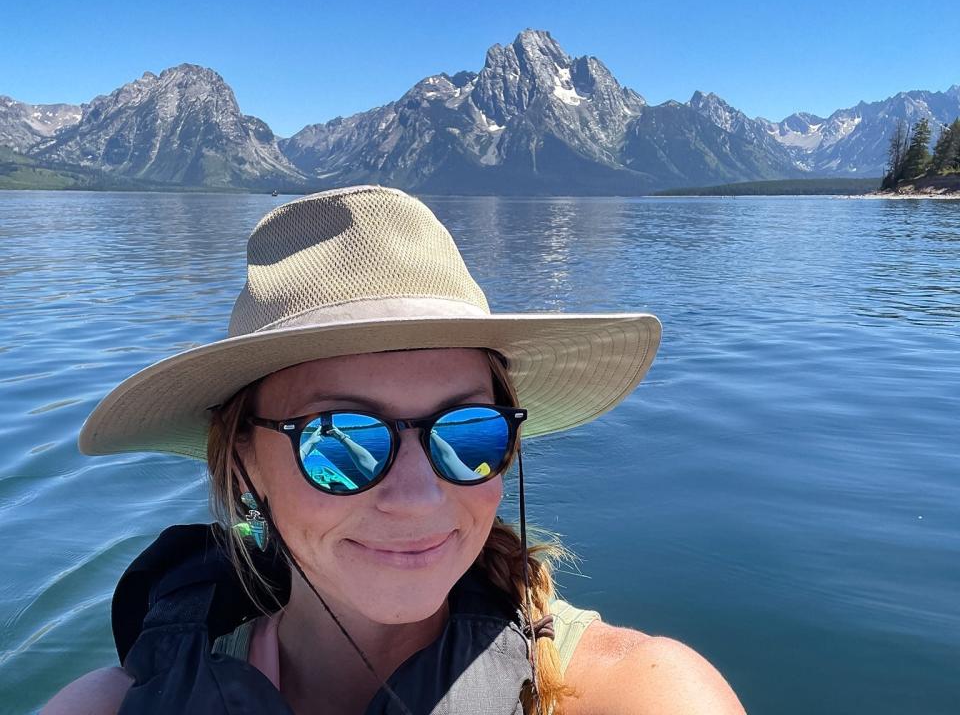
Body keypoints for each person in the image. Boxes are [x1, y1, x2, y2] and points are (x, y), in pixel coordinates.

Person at [43, 185, 746, 715]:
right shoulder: (112, 706)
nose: (417, 498)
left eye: (469, 436)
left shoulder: (640, 694)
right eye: (339, 441)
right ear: (244, 467)